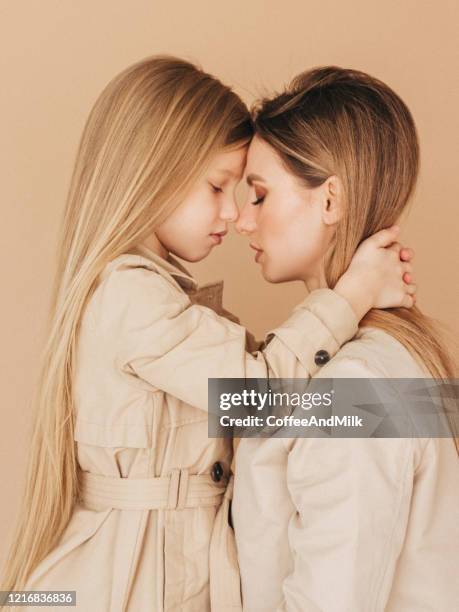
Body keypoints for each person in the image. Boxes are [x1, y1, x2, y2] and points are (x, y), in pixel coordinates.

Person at [1, 57, 415, 612]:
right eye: (219, 187)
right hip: (126, 582)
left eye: (250, 193)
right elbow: (258, 398)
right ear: (153, 173)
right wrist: (350, 297)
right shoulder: (131, 297)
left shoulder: (157, 298)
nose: (234, 215)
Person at [232, 66, 459, 612]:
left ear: (330, 199)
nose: (241, 220)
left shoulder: (355, 385)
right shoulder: (391, 358)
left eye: (259, 196)